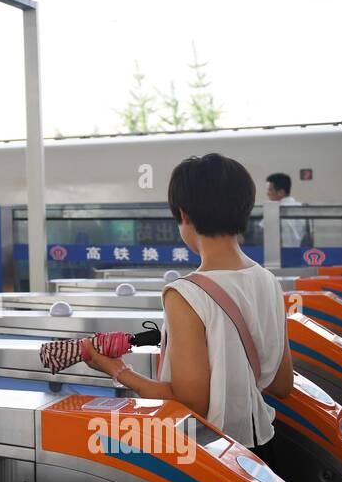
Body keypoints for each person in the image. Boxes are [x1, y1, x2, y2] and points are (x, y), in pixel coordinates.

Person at [82, 153, 294, 450]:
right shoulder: (268, 281)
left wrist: (118, 371)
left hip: (214, 453)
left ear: (183, 215)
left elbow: (189, 403)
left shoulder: (185, 294)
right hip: (262, 444)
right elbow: (282, 385)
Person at [265, 172, 309, 247]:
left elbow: (262, 232)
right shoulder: (302, 208)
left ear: (281, 192)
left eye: (270, 190)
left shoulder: (274, 210)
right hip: (299, 253)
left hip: (278, 254)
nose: (267, 193)